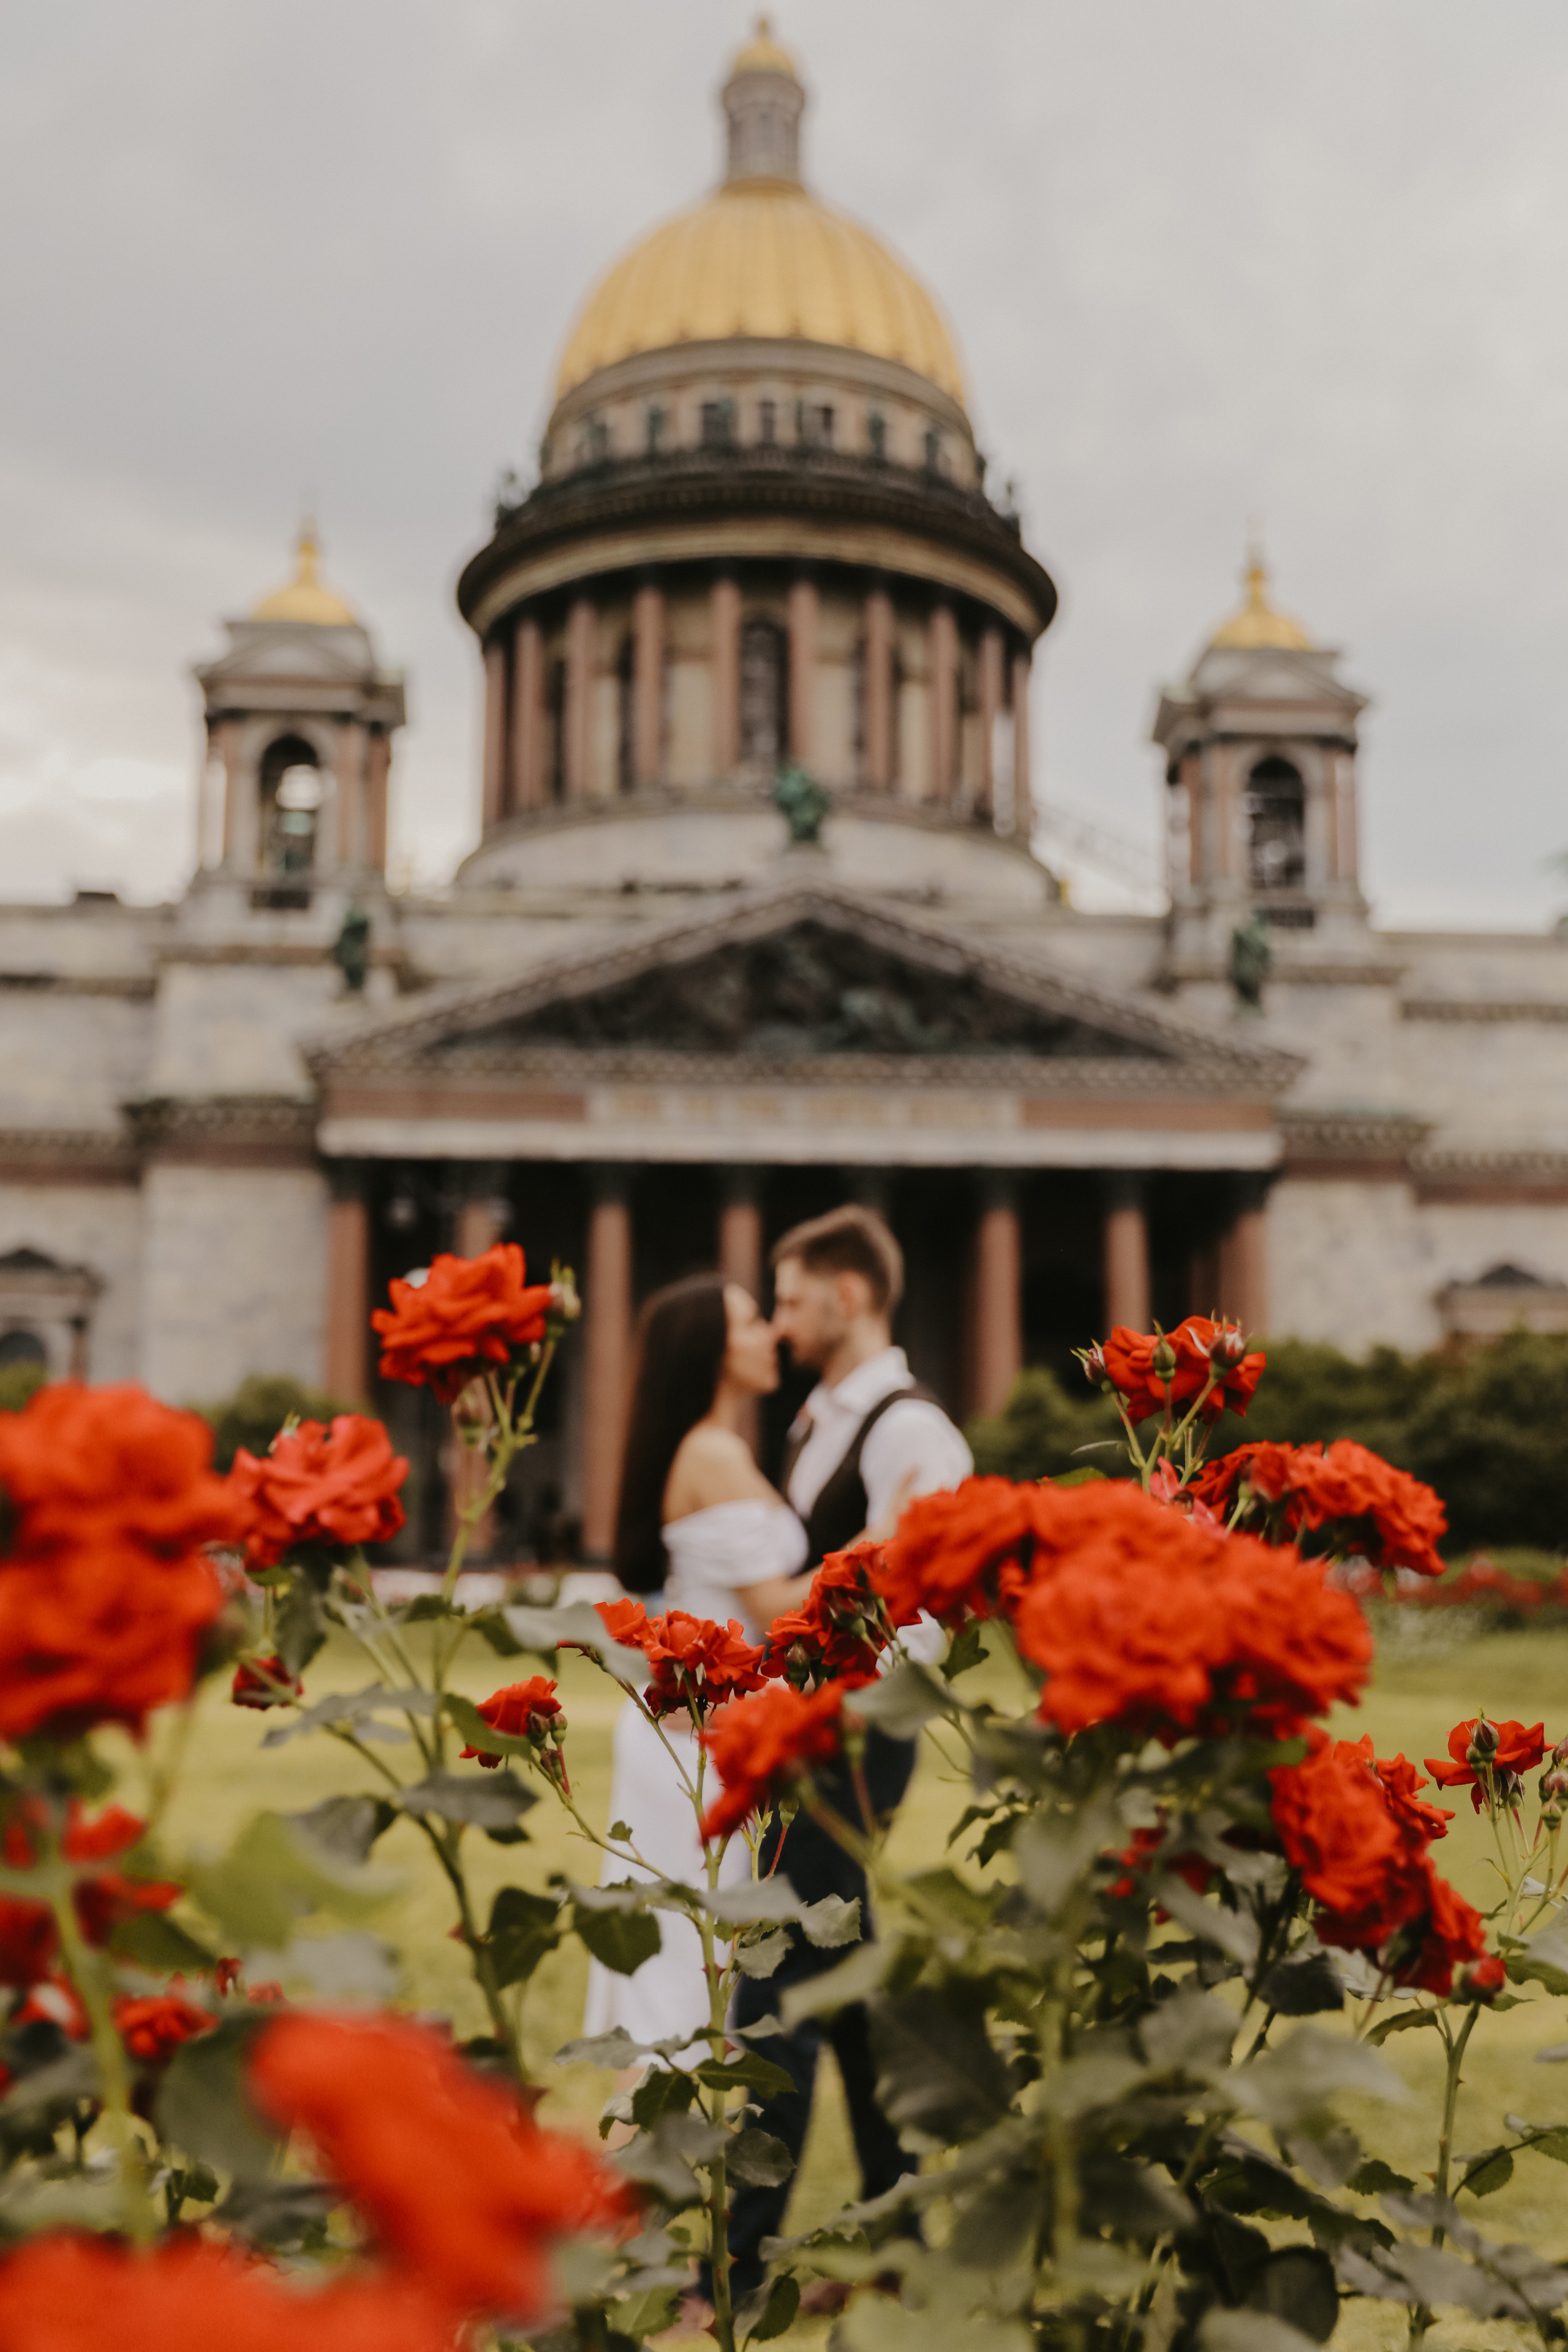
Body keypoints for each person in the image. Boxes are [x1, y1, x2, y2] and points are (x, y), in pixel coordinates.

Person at [726, 1203, 973, 2298]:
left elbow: (917, 1604)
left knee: (774, 1981)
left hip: (856, 1730)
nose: (777, 1322)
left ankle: (733, 2270)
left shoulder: (916, 1433)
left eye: (789, 1298)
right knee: (849, 1983)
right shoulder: (820, 1418)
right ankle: (903, 2246)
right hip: (802, 1725)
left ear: (851, 1294)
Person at [581, 1272, 809, 2052]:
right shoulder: (711, 1452)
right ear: (712, 1350)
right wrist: (893, 1544)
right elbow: (778, 1606)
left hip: (696, 1732)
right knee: (682, 1989)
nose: (771, 1333)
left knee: (691, 1977)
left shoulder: (714, 1447)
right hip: (695, 1745)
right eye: (751, 1322)